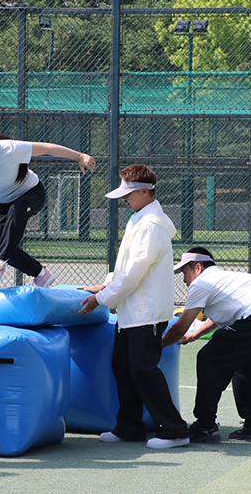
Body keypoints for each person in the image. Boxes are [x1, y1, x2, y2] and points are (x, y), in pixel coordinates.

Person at [78, 164, 190, 449]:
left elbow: (133, 274)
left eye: (128, 194)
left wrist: (100, 298)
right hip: (132, 313)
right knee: (123, 368)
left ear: (144, 192)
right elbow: (124, 268)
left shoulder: (150, 227)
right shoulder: (138, 220)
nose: (124, 199)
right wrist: (104, 286)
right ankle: (130, 427)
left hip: (146, 314)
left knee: (143, 370)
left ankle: (175, 430)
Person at [162, 247, 251, 444]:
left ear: (198, 267)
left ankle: (205, 426)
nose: (184, 280)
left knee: (208, 359)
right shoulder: (227, 279)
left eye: (185, 272)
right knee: (246, 371)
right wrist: (196, 335)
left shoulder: (201, 283)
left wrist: (156, 346)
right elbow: (220, 316)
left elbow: (180, 326)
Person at [0, 124, 96, 288]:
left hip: (30, 193)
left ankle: (0, 264)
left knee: (17, 211)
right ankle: (41, 274)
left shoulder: (9, 149)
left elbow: (46, 148)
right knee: (1, 246)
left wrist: (79, 156)